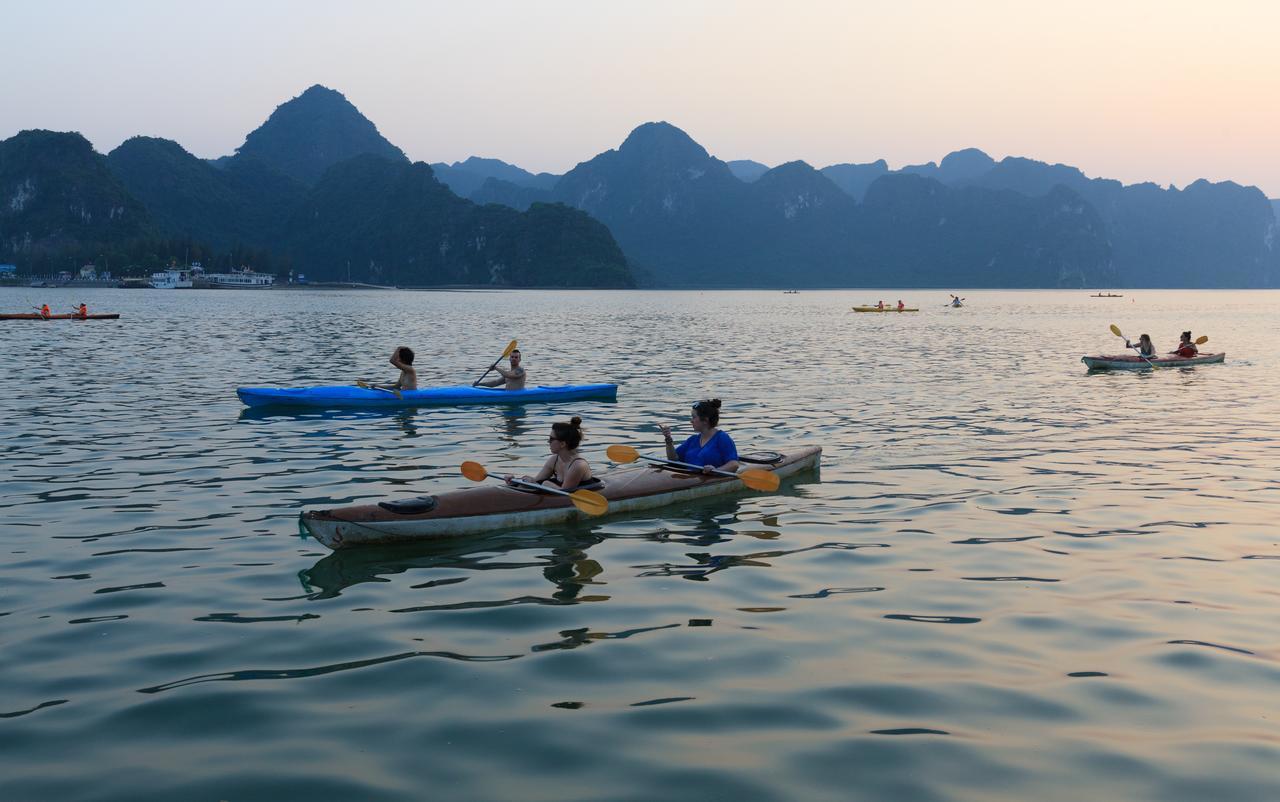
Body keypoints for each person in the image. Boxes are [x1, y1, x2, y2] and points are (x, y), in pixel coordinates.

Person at [507, 416, 594, 491]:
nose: (548, 441)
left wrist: (546, 484)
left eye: (551, 439)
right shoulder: (554, 459)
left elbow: (565, 493)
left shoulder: (578, 465)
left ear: (563, 444)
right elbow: (537, 481)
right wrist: (514, 481)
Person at [659, 399, 740, 475]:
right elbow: (673, 459)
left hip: (709, 479)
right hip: (689, 478)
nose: (691, 421)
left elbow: (734, 464)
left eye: (694, 417)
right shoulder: (693, 439)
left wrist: (716, 470)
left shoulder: (722, 438)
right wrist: (668, 438)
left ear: (705, 420)